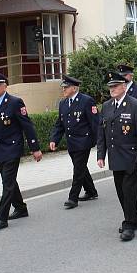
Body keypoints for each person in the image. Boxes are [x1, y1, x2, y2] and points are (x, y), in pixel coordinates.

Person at [0, 71, 42, 229]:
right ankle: (20, 208)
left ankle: (1, 218)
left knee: (7, 183)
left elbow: (27, 126)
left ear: (5, 86)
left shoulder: (15, 102)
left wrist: (35, 148)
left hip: (12, 148)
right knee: (9, 181)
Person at [96, 71, 137, 241]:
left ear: (124, 86)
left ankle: (128, 223)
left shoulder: (136, 105)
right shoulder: (106, 106)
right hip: (115, 156)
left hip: (131, 156)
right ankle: (133, 218)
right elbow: (102, 132)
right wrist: (100, 154)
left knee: (129, 190)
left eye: (115, 86)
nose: (112, 89)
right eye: (110, 86)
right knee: (120, 191)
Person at [49, 74, 99, 210]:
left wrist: (99, 142)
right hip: (71, 142)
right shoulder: (63, 103)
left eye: (66, 87)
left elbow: (95, 123)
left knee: (78, 170)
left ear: (75, 88)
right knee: (81, 168)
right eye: (63, 87)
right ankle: (91, 191)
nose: (63, 90)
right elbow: (60, 124)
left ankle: (73, 198)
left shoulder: (87, 101)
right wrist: (54, 139)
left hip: (84, 141)